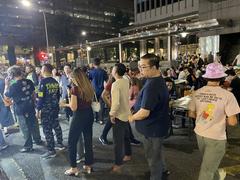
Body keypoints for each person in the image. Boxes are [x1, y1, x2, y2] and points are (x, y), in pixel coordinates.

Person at [188, 63, 239, 180]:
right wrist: (218, 119)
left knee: (210, 165)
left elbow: (191, 113)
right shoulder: (228, 95)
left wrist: (205, 119)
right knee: (207, 170)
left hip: (200, 133)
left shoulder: (197, 93)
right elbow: (232, 122)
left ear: (206, 78)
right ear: (222, 78)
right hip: (216, 137)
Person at [129, 53, 170, 180]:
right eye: (139, 66)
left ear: (154, 67)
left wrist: (131, 117)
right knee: (157, 152)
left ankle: (156, 176)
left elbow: (144, 112)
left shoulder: (152, 86)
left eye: (143, 67)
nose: (140, 70)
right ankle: (163, 170)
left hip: (152, 129)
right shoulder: (156, 79)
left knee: (153, 158)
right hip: (158, 125)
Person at [61, 68, 94, 176]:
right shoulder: (88, 86)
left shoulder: (75, 89)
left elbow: (73, 107)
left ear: (75, 77)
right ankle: (88, 165)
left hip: (79, 116)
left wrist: (64, 103)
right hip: (89, 114)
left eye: (71, 76)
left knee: (71, 141)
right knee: (88, 139)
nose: (70, 78)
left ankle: (73, 168)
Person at [4, 65, 42, 153]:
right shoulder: (29, 81)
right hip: (30, 106)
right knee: (34, 124)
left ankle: (28, 146)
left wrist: (6, 85)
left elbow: (6, 96)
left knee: (25, 127)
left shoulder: (13, 86)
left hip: (20, 109)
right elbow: (33, 94)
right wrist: (34, 104)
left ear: (12, 75)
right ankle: (37, 140)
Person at [36, 64, 64, 159]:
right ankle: (60, 143)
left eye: (41, 69)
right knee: (56, 125)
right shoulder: (55, 81)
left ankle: (51, 150)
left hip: (46, 110)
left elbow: (40, 97)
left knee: (47, 129)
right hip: (55, 108)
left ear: (44, 70)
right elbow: (58, 95)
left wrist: (38, 109)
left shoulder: (42, 82)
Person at [109, 63, 132, 172]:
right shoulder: (126, 80)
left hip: (119, 115)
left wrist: (112, 114)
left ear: (116, 72)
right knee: (126, 136)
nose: (112, 70)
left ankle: (118, 164)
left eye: (113, 69)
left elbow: (116, 102)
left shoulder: (116, 84)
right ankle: (128, 154)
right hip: (126, 113)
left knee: (118, 141)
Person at [89, 58, 108, 124]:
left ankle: (95, 117)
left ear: (93, 64)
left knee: (94, 104)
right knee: (102, 104)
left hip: (94, 90)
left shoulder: (91, 72)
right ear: (99, 63)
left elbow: (90, 80)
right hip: (102, 90)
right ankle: (101, 119)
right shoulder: (103, 72)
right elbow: (106, 81)